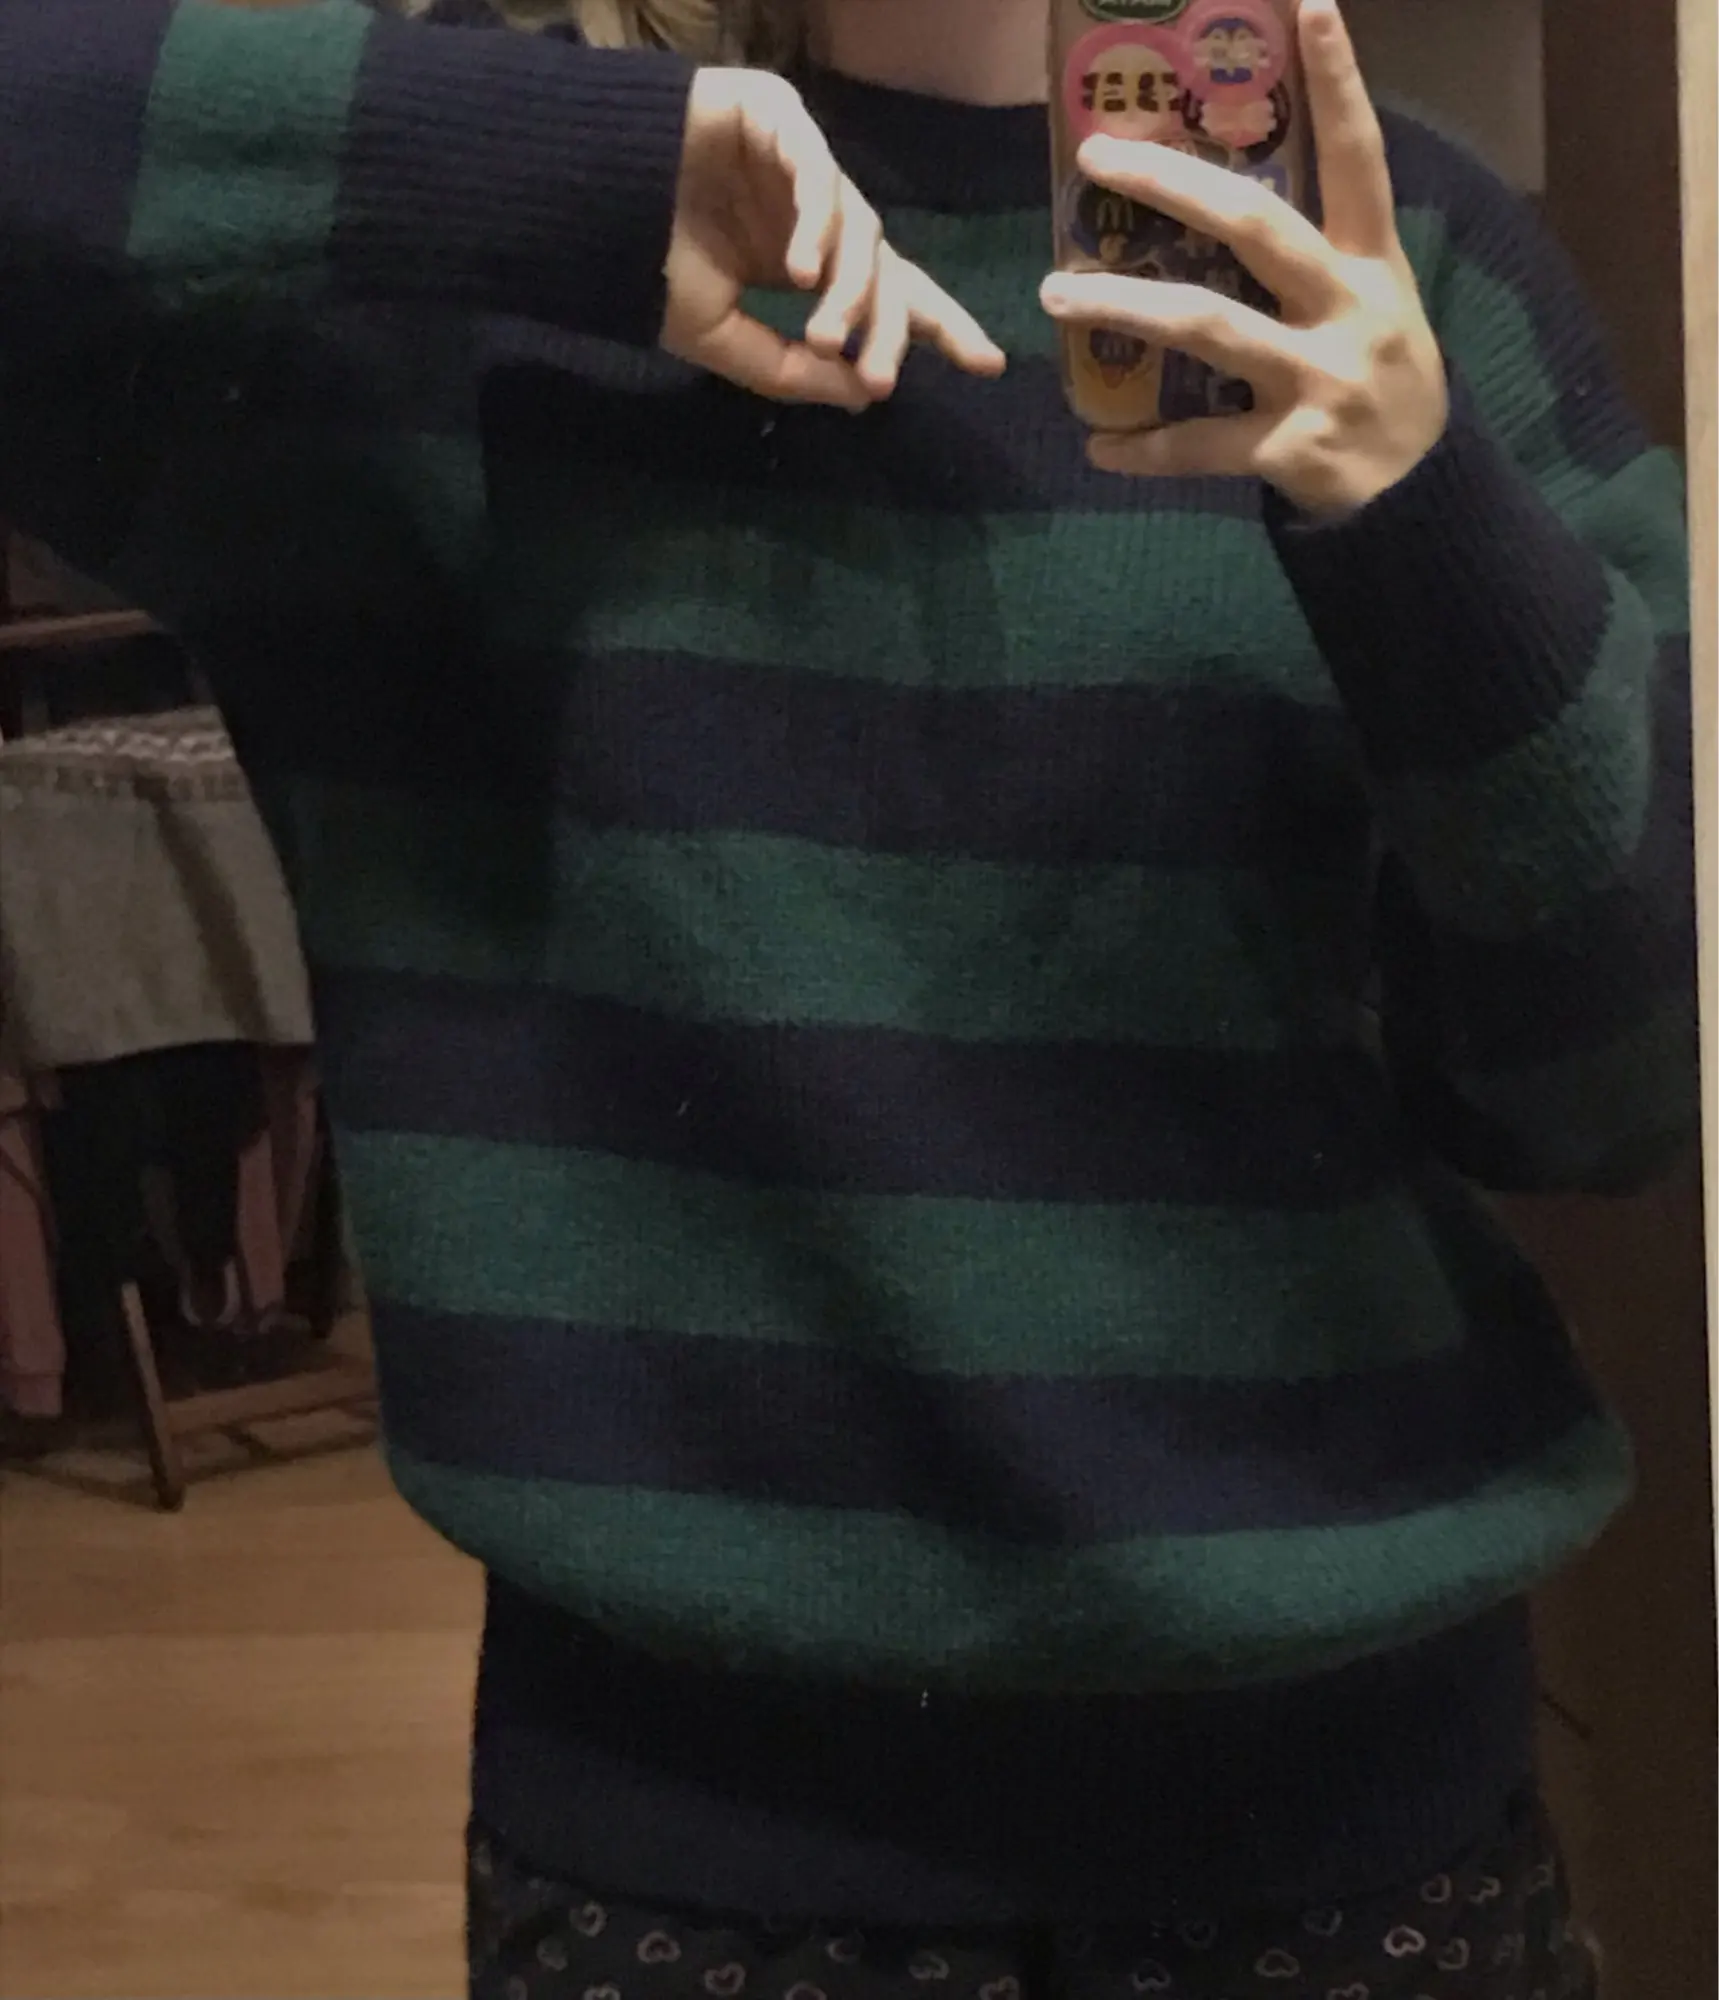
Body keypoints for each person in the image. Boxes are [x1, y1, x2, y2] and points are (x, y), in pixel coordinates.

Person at [0, 0, 1694, 1994]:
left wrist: (1419, 522)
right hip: (689, 1858)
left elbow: (1611, 1089)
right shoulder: (433, 290)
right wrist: (547, 163)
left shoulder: (1420, 259)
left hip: (1365, 1831)